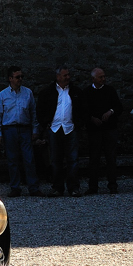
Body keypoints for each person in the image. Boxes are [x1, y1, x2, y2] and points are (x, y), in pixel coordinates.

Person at [0, 66, 43, 197]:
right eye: (17, 77)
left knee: (29, 159)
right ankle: (15, 187)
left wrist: (35, 129)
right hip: (9, 130)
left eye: (21, 77)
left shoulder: (28, 93)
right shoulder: (3, 95)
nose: (20, 79)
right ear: (10, 79)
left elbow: (33, 113)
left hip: (25, 129)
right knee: (12, 159)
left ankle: (33, 187)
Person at [37, 65, 84, 197]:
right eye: (65, 75)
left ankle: (73, 187)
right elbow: (40, 109)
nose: (68, 77)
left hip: (71, 128)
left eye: (68, 75)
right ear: (58, 77)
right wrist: (45, 123)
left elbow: (82, 109)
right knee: (55, 160)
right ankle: (57, 187)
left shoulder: (76, 92)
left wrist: (78, 124)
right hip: (55, 128)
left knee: (73, 160)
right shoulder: (47, 92)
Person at [84, 68, 123, 195]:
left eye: (104, 77)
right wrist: (91, 118)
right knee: (94, 159)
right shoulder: (87, 92)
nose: (103, 79)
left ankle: (112, 185)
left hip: (109, 129)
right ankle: (93, 186)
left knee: (110, 158)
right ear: (93, 79)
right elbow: (83, 110)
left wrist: (110, 112)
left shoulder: (110, 90)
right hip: (94, 130)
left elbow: (118, 107)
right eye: (100, 77)